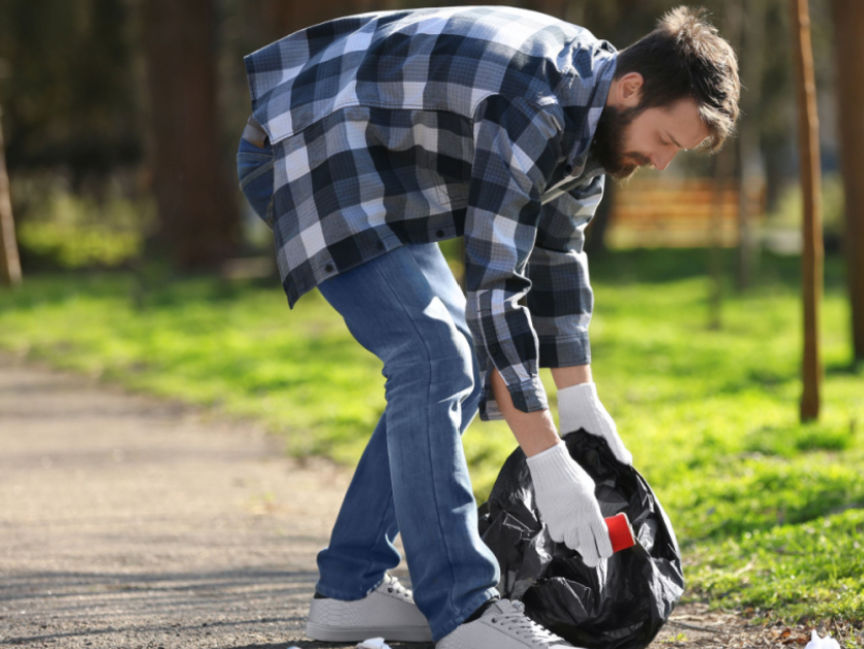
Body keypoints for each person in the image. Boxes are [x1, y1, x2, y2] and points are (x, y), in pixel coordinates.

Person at [236, 5, 738, 649]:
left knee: (462, 361)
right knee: (436, 357)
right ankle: (464, 615)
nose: (664, 162)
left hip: (376, 173)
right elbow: (495, 289)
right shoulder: (538, 105)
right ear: (632, 88)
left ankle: (350, 591)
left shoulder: (594, 120)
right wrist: (547, 459)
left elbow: (557, 257)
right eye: (667, 140)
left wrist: (580, 402)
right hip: (303, 149)